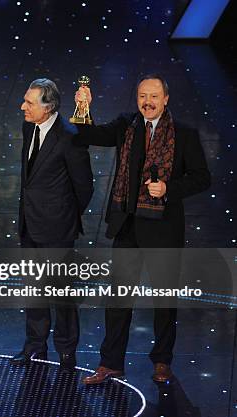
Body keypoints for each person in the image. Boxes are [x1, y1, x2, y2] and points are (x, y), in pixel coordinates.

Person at [74, 74, 211, 384]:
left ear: (165, 99)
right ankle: (111, 363)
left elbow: (203, 177)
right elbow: (90, 135)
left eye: (153, 97)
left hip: (163, 228)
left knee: (164, 301)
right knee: (119, 298)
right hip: (128, 225)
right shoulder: (127, 125)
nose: (147, 102)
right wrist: (83, 109)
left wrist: (169, 189)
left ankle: (162, 361)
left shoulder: (184, 134)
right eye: (142, 97)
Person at [10, 79, 94, 372]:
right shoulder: (28, 127)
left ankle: (67, 350)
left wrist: (65, 217)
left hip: (58, 229)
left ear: (49, 107)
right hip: (29, 225)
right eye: (24, 100)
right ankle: (34, 345)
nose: (22, 107)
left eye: (29, 103)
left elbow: (84, 186)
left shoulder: (70, 136)